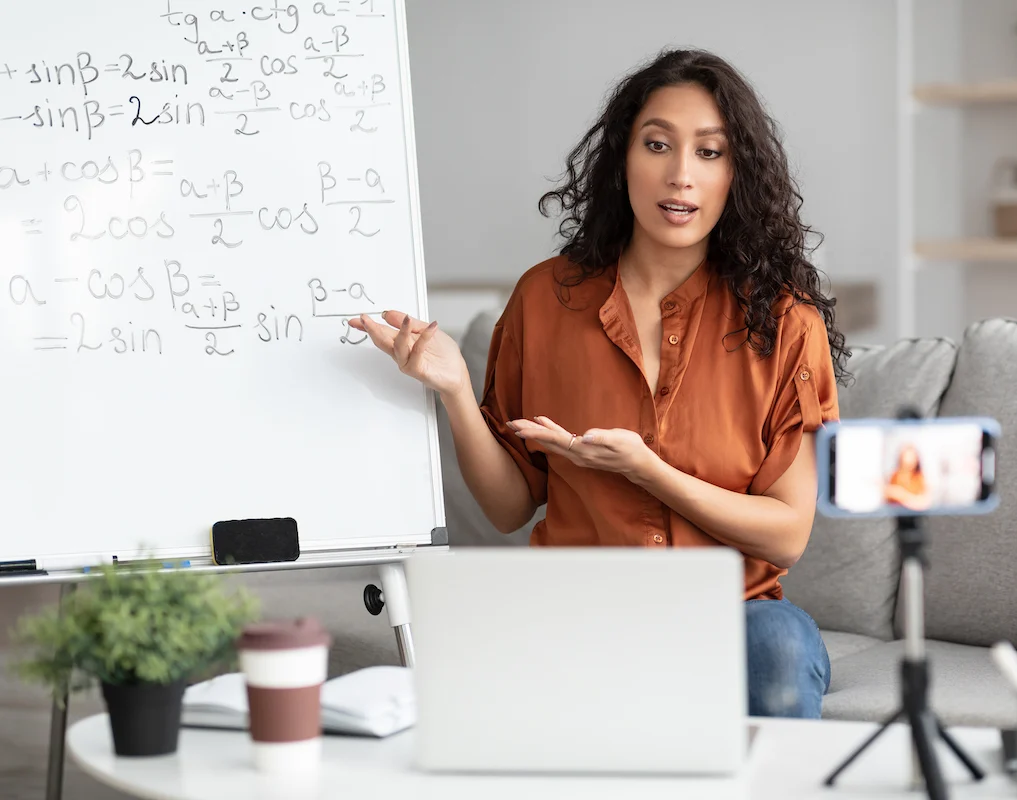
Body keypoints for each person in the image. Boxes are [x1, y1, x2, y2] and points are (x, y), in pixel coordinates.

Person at [349, 48, 850, 718]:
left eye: (709, 152)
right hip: (574, 611)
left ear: (738, 174)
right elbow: (507, 507)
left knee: (780, 653)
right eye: (657, 145)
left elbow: (786, 533)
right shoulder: (544, 299)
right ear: (622, 158)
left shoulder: (786, 323)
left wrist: (648, 472)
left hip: (733, 615)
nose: (680, 176)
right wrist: (455, 392)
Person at [883, 443, 931, 511]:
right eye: (906, 457)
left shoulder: (920, 478)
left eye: (911, 457)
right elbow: (887, 495)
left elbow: (924, 502)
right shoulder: (894, 477)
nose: (908, 461)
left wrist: (902, 495)